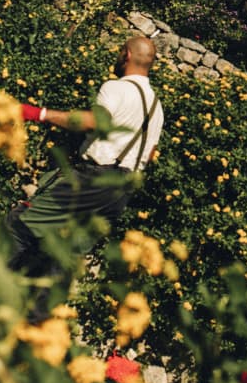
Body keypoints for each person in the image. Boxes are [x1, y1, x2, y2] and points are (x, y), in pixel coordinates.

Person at [9, 35, 164, 314]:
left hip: (94, 178)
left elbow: (94, 122)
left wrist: (39, 113)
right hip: (121, 192)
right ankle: (34, 325)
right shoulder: (157, 107)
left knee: (20, 225)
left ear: (126, 54)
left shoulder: (116, 88)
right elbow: (151, 154)